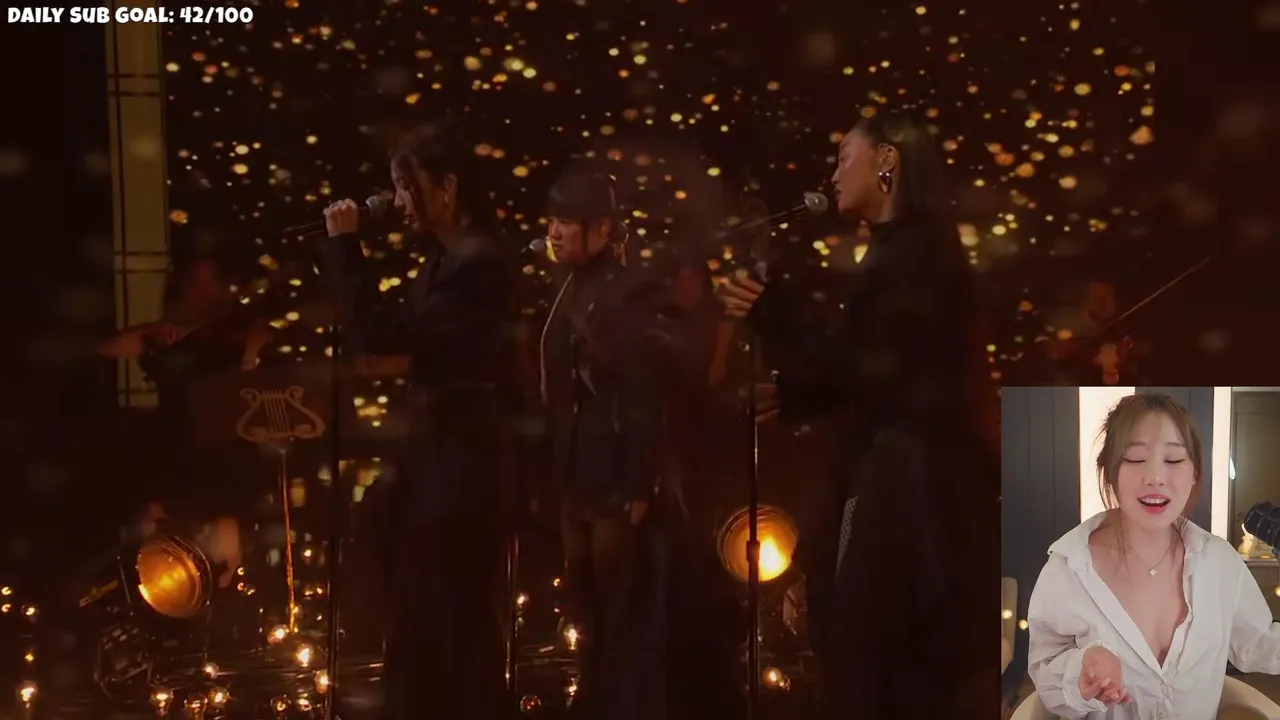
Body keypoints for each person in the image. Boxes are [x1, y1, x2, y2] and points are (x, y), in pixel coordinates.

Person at [716, 111, 998, 716]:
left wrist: (777, 312)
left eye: (846, 156)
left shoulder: (917, 255)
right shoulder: (904, 251)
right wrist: (800, 395)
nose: (834, 174)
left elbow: (880, 371)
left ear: (888, 159)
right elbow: (876, 367)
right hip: (904, 479)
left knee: (873, 647)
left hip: (907, 491)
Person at [320, 120, 519, 720]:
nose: (398, 201)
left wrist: (345, 247)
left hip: (465, 459)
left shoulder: (479, 264)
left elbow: (389, 333)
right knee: (424, 612)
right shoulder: (443, 260)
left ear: (447, 188)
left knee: (452, 617)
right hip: (436, 452)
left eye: (407, 187)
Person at [1027, 393, 1280, 718]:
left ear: (1194, 472)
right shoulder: (1069, 569)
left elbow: (1259, 645)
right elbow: (1045, 674)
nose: (1155, 477)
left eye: (1173, 460)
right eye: (1135, 459)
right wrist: (1082, 671)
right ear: (1110, 471)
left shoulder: (1219, 563)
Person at [538, 169, 674, 719]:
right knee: (587, 611)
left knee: (618, 612)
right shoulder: (566, 288)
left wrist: (639, 479)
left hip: (613, 470)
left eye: (566, 223)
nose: (554, 232)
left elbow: (644, 389)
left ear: (600, 229)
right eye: (551, 221)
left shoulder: (627, 290)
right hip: (574, 466)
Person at [97, 255, 272, 585]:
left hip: (230, 466)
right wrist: (153, 329)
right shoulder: (170, 339)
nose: (204, 292)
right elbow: (108, 349)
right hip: (176, 460)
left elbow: (259, 374)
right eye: (195, 284)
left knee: (224, 566)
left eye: (211, 283)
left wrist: (250, 354)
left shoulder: (240, 331)